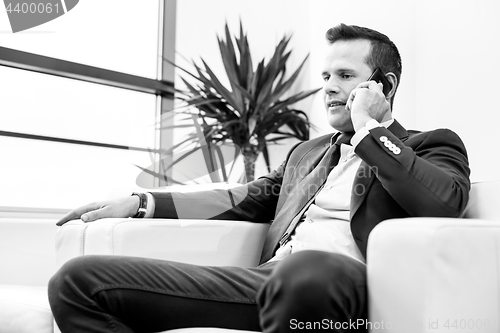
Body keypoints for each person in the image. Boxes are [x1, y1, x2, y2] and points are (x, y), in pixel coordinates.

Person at [48, 24, 470, 332]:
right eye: (326, 77)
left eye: (345, 76)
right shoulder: (307, 153)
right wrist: (141, 203)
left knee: (307, 270)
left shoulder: (431, 144)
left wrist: (368, 130)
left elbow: (442, 202)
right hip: (266, 280)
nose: (329, 88)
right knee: (78, 281)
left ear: (385, 85)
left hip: (343, 286)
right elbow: (239, 198)